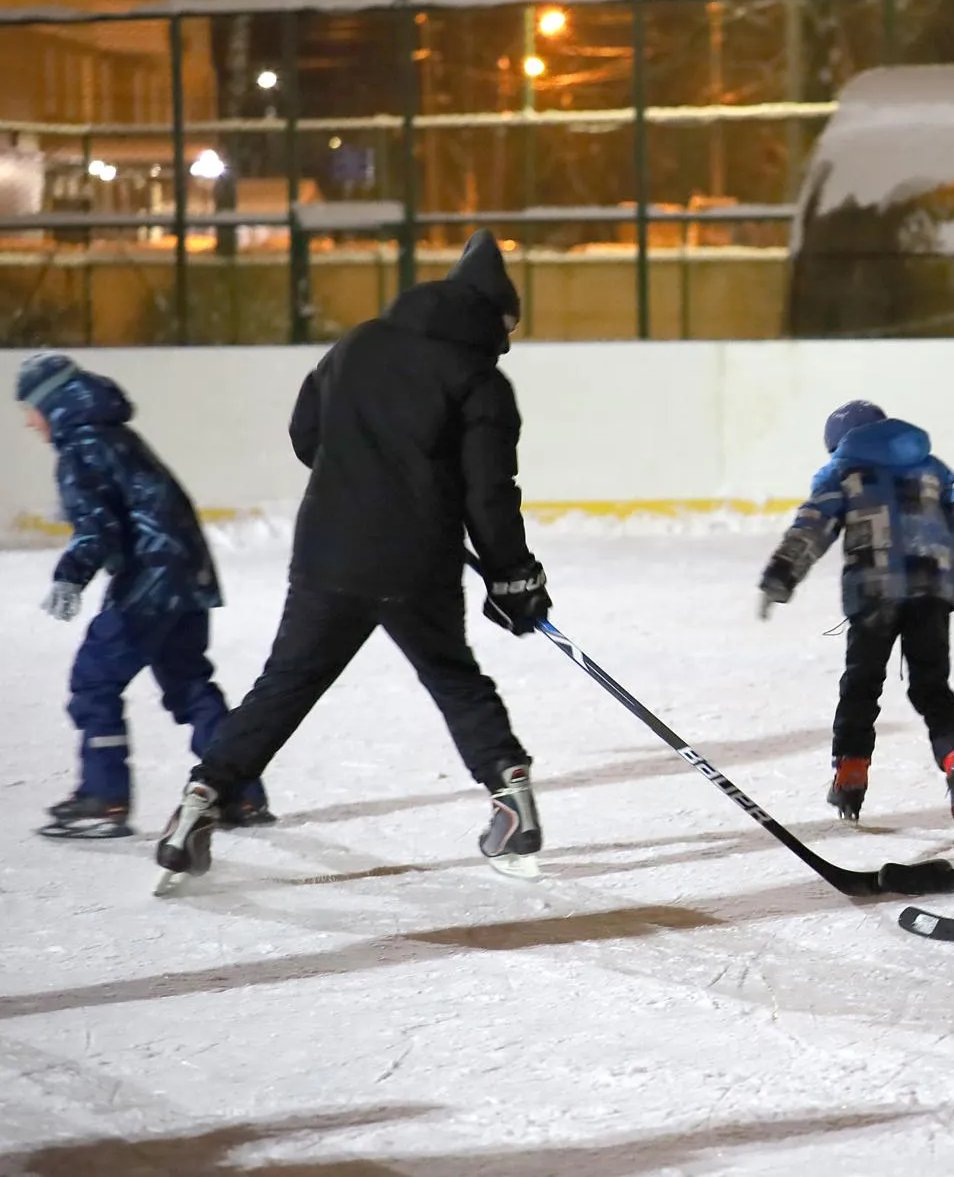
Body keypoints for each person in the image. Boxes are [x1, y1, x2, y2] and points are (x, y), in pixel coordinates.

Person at [155, 229, 554, 885]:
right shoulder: (484, 382)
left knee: (284, 685)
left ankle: (202, 800)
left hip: (330, 552)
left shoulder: (358, 343)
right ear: (489, 315)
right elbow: (489, 494)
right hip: (418, 561)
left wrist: (359, 476)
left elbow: (305, 432)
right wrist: (513, 575)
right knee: (453, 677)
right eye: (507, 328)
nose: (507, 342)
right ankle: (510, 794)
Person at [16, 354, 271, 839]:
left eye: (31, 407)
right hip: (187, 577)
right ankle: (240, 792)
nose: (29, 421)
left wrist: (71, 576)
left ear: (56, 402)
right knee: (191, 685)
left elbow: (98, 528)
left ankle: (105, 798)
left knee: (94, 683)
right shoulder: (115, 437)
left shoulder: (82, 448)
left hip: (148, 584)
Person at [758, 400, 954, 829]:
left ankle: (850, 774)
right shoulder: (933, 467)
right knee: (932, 688)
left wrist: (781, 575)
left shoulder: (842, 471)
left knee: (860, 689)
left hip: (873, 596)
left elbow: (813, 524)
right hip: (930, 595)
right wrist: (950, 582)